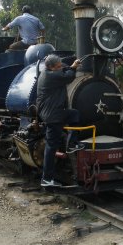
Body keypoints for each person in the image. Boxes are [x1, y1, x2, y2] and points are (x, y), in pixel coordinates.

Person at [36, 54, 82, 187]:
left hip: (54, 112)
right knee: (51, 147)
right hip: (53, 114)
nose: (60, 67)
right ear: (50, 67)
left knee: (74, 114)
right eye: (57, 66)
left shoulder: (50, 72)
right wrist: (73, 67)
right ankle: (46, 179)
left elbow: (63, 69)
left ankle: (72, 144)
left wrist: (71, 65)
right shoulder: (49, 76)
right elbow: (68, 76)